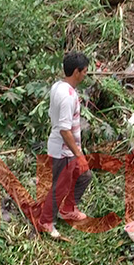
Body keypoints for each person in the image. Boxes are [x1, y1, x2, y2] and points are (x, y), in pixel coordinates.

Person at [37, 51, 93, 238]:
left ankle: (68, 209)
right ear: (76, 72)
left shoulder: (58, 86)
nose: (86, 74)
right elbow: (64, 129)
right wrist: (79, 155)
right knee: (59, 187)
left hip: (67, 148)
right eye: (85, 71)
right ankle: (45, 221)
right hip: (63, 150)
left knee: (84, 175)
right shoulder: (68, 96)